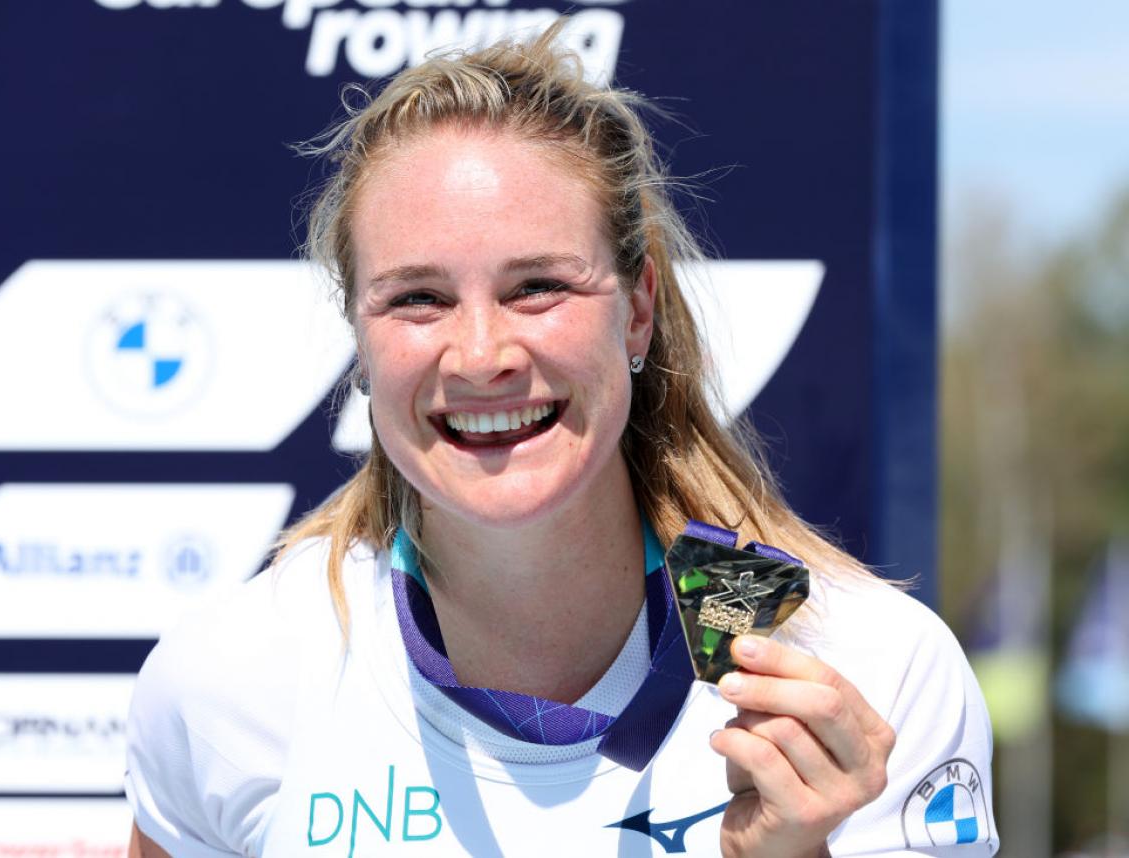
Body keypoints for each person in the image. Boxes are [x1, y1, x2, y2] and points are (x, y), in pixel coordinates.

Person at [125, 22, 998, 858]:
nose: (480, 355)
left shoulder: (867, 669)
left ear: (639, 309)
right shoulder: (228, 678)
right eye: (417, 299)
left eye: (539, 286)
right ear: (360, 339)